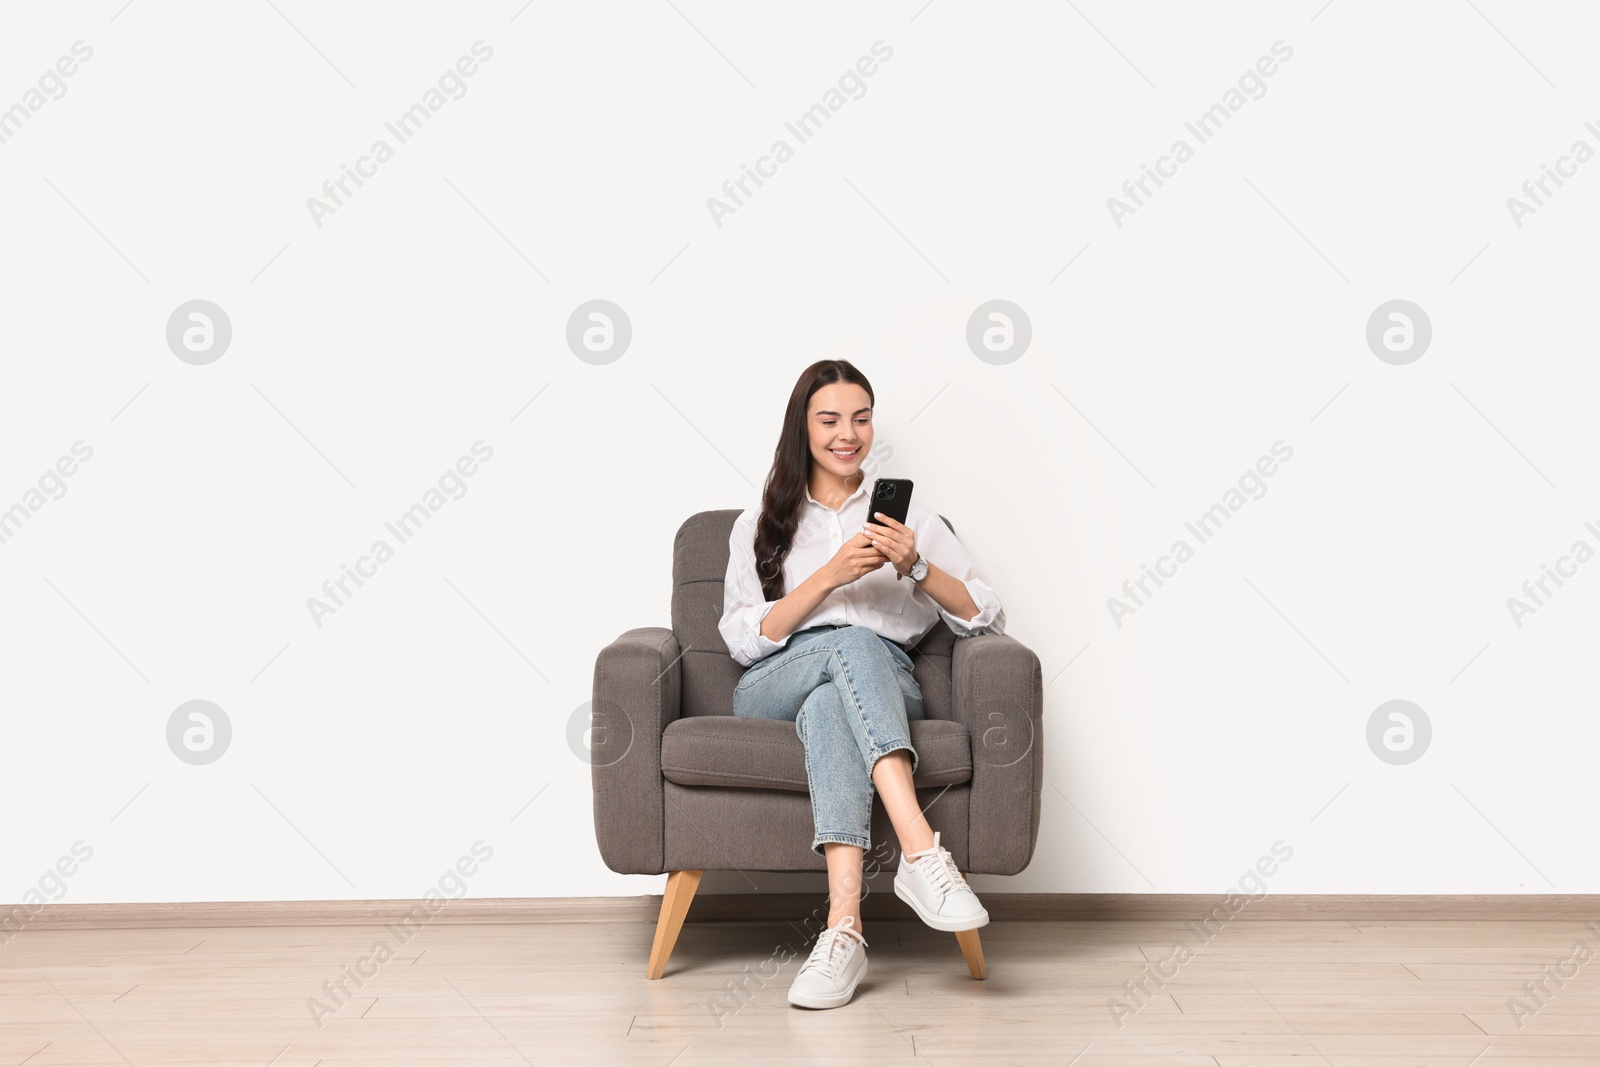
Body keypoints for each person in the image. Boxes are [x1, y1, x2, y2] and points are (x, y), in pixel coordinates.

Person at [717, 359, 1007, 1010]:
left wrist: (919, 565)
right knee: (841, 645)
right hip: (774, 680)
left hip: (883, 677)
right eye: (830, 419)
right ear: (803, 428)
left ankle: (843, 931)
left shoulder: (914, 521)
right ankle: (921, 852)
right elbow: (740, 638)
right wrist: (827, 578)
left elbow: (986, 614)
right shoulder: (760, 523)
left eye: (861, 417)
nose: (848, 433)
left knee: (834, 701)